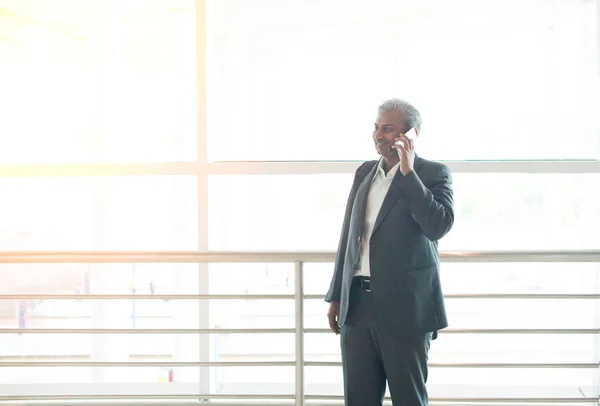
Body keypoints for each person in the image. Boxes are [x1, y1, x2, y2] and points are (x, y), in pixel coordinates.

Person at [325, 98, 454, 406]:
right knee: (359, 399)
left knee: (409, 399)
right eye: (376, 127)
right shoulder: (365, 173)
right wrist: (337, 295)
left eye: (388, 129)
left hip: (406, 310)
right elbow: (349, 236)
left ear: (411, 135)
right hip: (358, 306)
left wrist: (408, 172)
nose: (378, 135)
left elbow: (437, 225)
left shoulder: (433, 174)